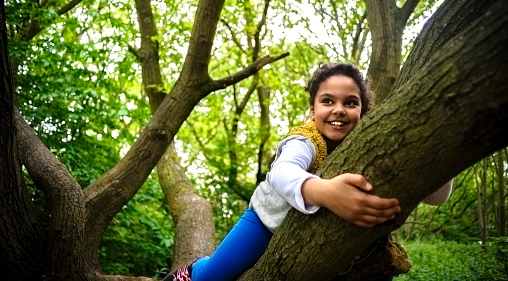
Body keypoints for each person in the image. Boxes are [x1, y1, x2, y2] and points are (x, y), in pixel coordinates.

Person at [165, 63, 453, 281]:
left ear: (364, 111)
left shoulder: (371, 148)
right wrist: (325, 192)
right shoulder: (306, 140)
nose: (339, 109)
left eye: (350, 102)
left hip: (325, 237)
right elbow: (282, 172)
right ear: (313, 110)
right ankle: (193, 268)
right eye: (328, 101)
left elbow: (435, 197)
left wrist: (440, 157)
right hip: (265, 222)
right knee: (212, 277)